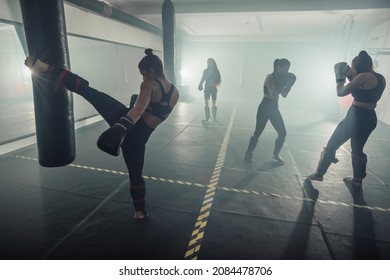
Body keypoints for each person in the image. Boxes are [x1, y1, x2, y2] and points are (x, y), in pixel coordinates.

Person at [25, 49, 180, 220]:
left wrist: (120, 127)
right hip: (139, 140)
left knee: (88, 91)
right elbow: (155, 113)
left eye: (143, 75)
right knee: (136, 176)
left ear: (150, 72)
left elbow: (138, 110)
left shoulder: (149, 85)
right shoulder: (175, 92)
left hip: (126, 122)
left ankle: (44, 68)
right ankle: (139, 212)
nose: (143, 79)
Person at [307, 50, 386, 187]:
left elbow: (341, 92)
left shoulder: (362, 76)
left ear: (357, 66)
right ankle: (357, 180)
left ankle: (319, 174)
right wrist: (351, 76)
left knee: (332, 144)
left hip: (357, 116)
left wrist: (340, 77)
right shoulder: (380, 78)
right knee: (357, 148)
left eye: (353, 67)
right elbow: (363, 90)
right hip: (370, 118)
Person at [244, 58, 296, 164]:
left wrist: (289, 85)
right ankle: (248, 153)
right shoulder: (270, 77)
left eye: (288, 69)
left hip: (274, 109)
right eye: (285, 68)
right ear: (278, 68)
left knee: (283, 133)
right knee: (257, 133)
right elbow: (273, 94)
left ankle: (275, 154)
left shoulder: (283, 78)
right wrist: (284, 83)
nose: (287, 71)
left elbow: (284, 95)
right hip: (264, 108)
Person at [198, 58, 221, 124]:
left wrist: (216, 87)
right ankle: (207, 118)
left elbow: (219, 81)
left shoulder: (216, 71)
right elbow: (203, 78)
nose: (209, 63)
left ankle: (214, 116)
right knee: (206, 102)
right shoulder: (205, 71)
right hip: (207, 88)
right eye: (208, 62)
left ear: (213, 63)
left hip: (213, 89)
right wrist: (200, 84)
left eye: (211, 62)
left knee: (213, 103)